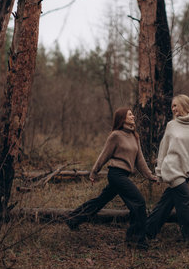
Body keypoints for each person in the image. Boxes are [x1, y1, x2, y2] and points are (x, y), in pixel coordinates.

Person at [66, 107, 158, 249]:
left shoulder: (135, 136)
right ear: (122, 118)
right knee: (139, 202)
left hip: (124, 175)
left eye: (132, 114)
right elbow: (104, 155)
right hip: (116, 174)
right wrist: (94, 172)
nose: (133, 116)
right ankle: (135, 239)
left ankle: (73, 219)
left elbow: (140, 160)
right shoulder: (116, 135)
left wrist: (150, 176)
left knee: (101, 200)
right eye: (130, 114)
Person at [146, 94, 189, 247]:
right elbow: (163, 150)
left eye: (176, 105)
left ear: (185, 104)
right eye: (172, 106)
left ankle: (146, 232)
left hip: (186, 170)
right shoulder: (172, 125)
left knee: (166, 204)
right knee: (187, 198)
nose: (173, 109)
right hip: (172, 168)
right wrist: (159, 171)